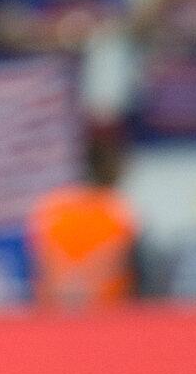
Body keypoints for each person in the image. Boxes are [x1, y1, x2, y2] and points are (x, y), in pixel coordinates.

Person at [27, 127, 140, 311]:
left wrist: (68, 289)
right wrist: (82, 290)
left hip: (59, 304)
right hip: (104, 308)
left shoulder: (51, 205)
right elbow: (112, 261)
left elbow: (45, 261)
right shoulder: (117, 210)